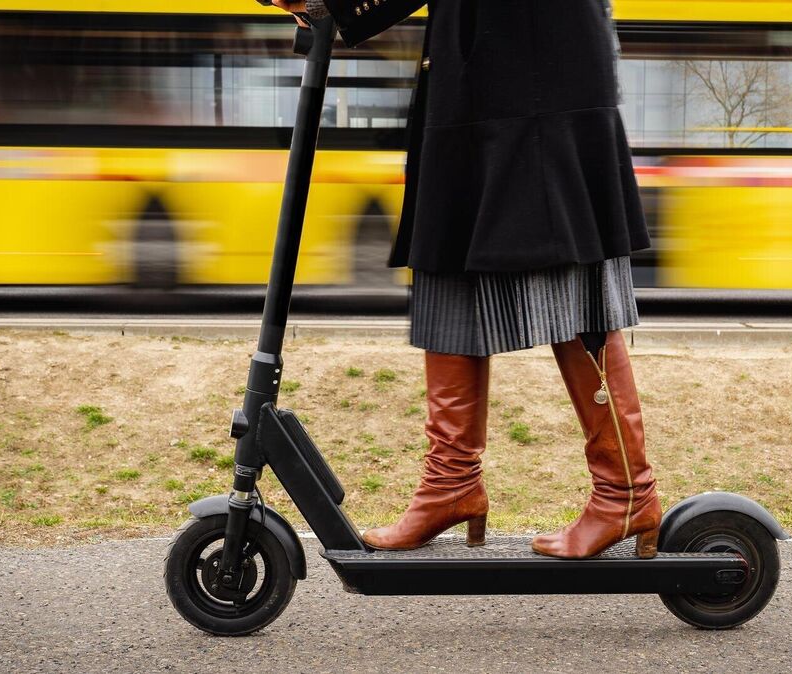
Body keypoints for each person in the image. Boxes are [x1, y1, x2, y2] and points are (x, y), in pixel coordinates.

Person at [270, 0, 660, 559]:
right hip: (473, 66)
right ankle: (450, 485)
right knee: (445, 253)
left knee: (570, 274)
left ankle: (625, 489)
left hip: (539, 71)